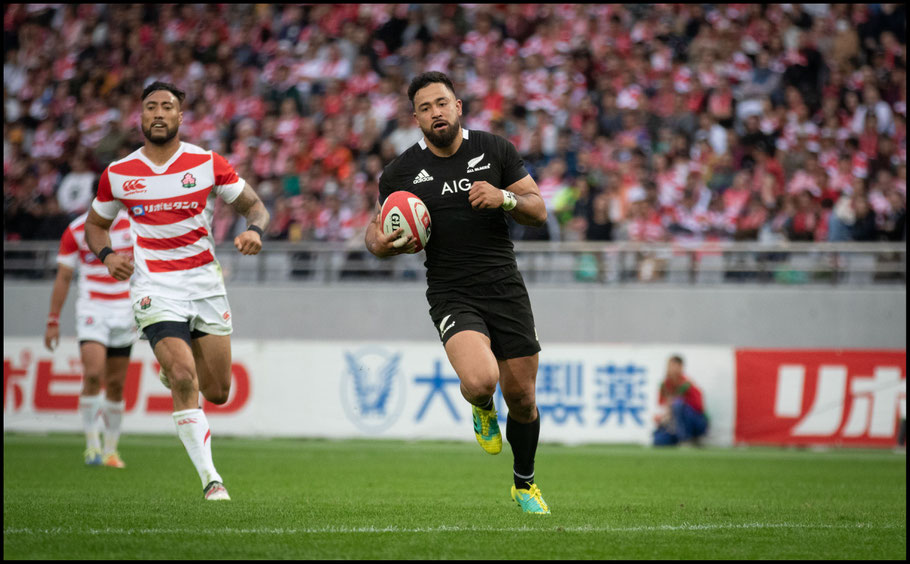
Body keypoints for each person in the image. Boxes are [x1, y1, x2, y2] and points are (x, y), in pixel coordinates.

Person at [364, 72, 550, 514]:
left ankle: (524, 485)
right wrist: (383, 244)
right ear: (416, 118)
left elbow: (538, 210)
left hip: (504, 286)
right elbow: (374, 233)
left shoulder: (495, 150)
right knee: (482, 379)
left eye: (442, 103)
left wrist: (504, 198)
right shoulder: (400, 172)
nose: (436, 113)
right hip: (451, 291)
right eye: (426, 108)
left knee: (523, 398)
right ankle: (481, 403)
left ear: (459, 106)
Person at [84, 81, 270, 501]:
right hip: (154, 287)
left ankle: (171, 368)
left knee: (218, 392)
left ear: (180, 117)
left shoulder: (206, 163)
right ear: (141, 116)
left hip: (205, 284)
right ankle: (211, 480)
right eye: (151, 107)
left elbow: (256, 206)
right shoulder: (119, 173)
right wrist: (108, 256)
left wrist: (255, 230)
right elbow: (95, 225)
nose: (159, 113)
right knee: (185, 377)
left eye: (167, 107)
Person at [44, 209, 137, 468]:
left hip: (124, 309)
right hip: (92, 308)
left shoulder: (133, 224)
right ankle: (92, 446)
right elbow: (63, 276)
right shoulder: (76, 229)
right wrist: (53, 319)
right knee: (94, 374)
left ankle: (111, 450)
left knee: (117, 383)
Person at [653, 355, 708, 447]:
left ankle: (686, 439)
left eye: (675, 366)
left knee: (678, 404)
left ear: (681, 367)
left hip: (695, 422)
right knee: (659, 441)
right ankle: (678, 438)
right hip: (673, 424)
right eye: (670, 366)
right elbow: (662, 406)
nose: (672, 369)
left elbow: (700, 408)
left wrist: (679, 404)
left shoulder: (687, 384)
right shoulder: (664, 386)